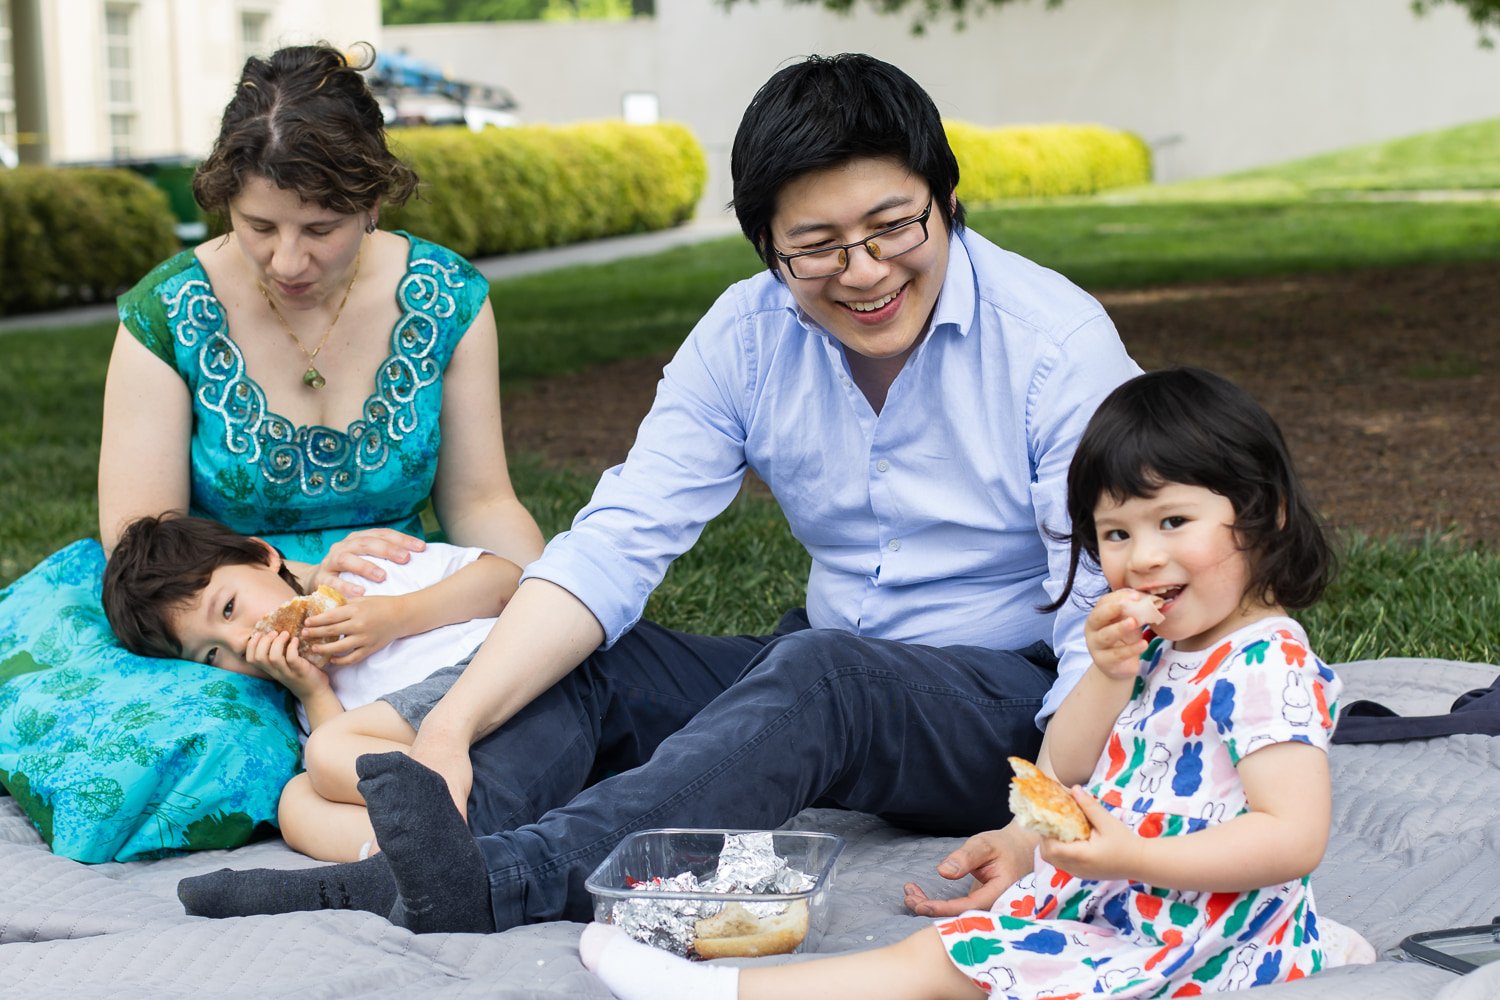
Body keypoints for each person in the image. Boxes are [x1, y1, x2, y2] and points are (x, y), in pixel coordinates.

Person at [177, 52, 1139, 936]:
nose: (865, 272)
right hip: (833, 659)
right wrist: (455, 727)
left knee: (822, 674)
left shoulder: (1055, 344)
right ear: (766, 244)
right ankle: (422, 852)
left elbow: (1110, 614)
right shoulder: (748, 336)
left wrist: (1043, 821)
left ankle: (512, 879)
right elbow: (615, 544)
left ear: (947, 198)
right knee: (603, 656)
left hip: (1015, 706)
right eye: (817, 247)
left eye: (894, 227)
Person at [578, 366, 1374, 999]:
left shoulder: (1266, 662)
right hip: (1131, 896)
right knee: (967, 949)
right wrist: (1103, 674)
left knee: (945, 965)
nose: (1143, 556)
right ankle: (1302, 946)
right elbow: (1066, 764)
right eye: (1116, 534)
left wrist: (1132, 854)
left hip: (1191, 929)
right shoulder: (1164, 645)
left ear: (1262, 513)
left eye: (1173, 522)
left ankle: (719, 992)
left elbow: (1290, 836)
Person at [98, 42, 543, 584]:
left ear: (372, 204)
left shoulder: (446, 296)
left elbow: (481, 505)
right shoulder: (166, 315)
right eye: (259, 227)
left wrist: (543, 592)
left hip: (403, 607)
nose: (287, 261)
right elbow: (143, 546)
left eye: (320, 229)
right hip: (225, 611)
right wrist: (304, 581)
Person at [102, 513, 522, 862]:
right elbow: (355, 777)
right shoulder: (303, 701)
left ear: (263, 555)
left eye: (229, 608)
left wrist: (398, 615)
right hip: (472, 777)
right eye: (212, 654)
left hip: (495, 686)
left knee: (326, 752)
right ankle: (421, 862)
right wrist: (315, 692)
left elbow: (509, 582)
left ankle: (428, 850)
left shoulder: (365, 574)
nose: (240, 643)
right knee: (297, 804)